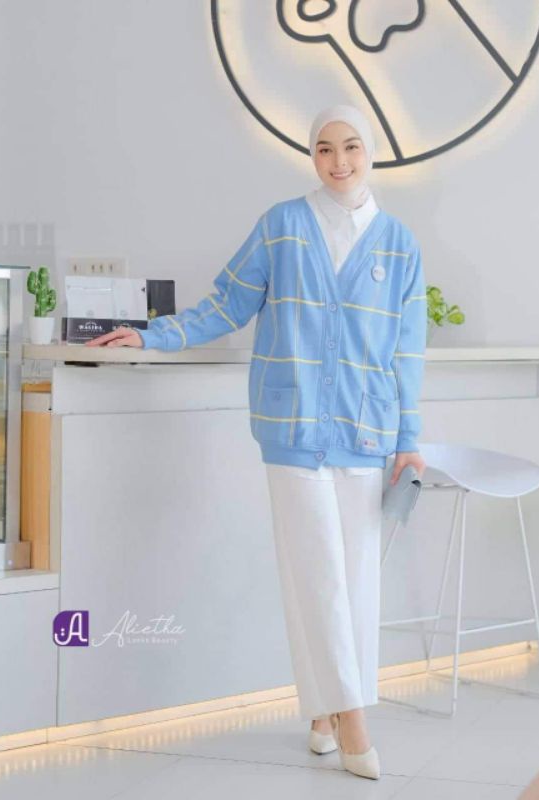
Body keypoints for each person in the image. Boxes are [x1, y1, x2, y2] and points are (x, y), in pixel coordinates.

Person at [86, 104, 427, 780]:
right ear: (312, 155)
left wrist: (408, 438)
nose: (338, 162)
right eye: (324, 148)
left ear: (370, 152)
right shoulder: (282, 226)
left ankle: (323, 712)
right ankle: (354, 719)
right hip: (291, 428)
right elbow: (226, 303)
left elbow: (407, 350)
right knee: (317, 577)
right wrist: (153, 335)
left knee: (357, 582)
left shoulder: (399, 245)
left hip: (366, 431)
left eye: (350, 147)